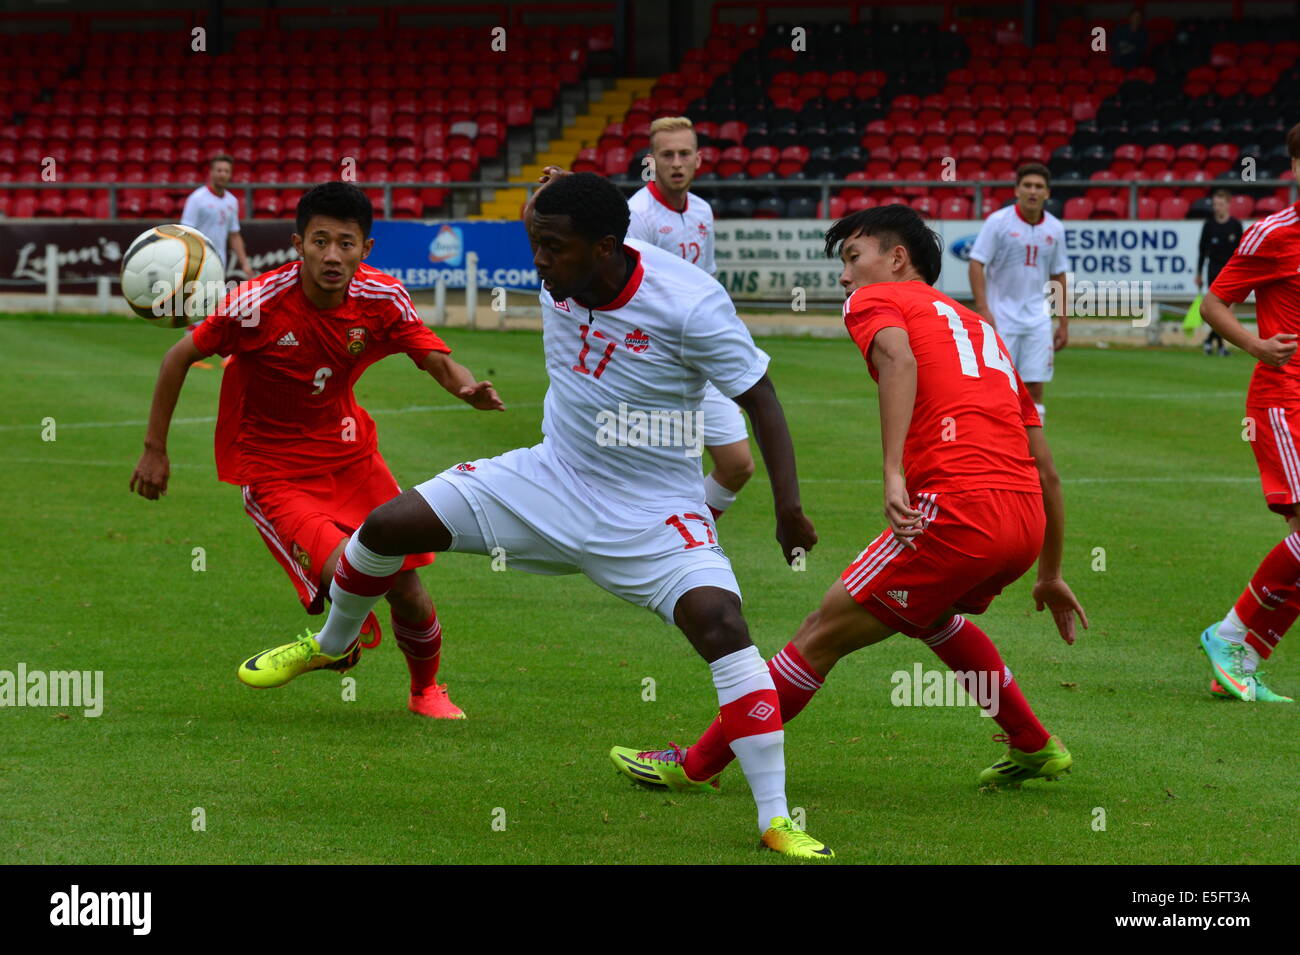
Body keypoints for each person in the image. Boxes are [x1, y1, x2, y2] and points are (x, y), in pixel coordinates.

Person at [233, 171, 833, 858]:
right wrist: (548, 199)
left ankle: (775, 818)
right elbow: (550, 225)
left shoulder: (691, 305)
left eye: (552, 247)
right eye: (534, 242)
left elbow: (760, 396)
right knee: (385, 528)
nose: (538, 262)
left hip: (653, 508)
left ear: (607, 247)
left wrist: (787, 506)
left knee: (723, 626)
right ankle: (334, 643)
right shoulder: (566, 265)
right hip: (547, 478)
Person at [612, 204, 1088, 797]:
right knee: (932, 613)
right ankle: (1032, 741)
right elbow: (1046, 467)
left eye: (852, 257)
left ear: (896, 258)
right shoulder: (979, 328)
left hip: (959, 514)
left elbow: (897, 359)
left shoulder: (874, 299)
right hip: (1023, 521)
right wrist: (1050, 572)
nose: (844, 275)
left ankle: (694, 765)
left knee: (820, 632)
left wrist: (892, 475)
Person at [130, 182, 503, 718]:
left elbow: (437, 360)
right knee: (349, 575)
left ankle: (426, 691)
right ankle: (341, 639)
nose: (333, 255)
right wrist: (154, 450)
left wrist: (467, 388)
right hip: (274, 471)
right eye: (321, 241)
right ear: (298, 243)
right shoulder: (255, 304)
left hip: (353, 459)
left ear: (365, 249)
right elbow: (176, 358)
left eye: (346, 243)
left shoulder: (382, 298)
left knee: (408, 588)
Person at [1197, 123, 1300, 703]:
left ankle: (1238, 660)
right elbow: (1214, 302)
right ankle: (1229, 635)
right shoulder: (1273, 234)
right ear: (1293, 168)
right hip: (1285, 399)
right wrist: (1256, 345)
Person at [625, 116, 754, 521]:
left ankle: (690, 533)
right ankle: (674, 546)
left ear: (699, 159)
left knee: (738, 465)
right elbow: (633, 295)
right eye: (667, 155)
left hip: (701, 354)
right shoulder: (637, 215)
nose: (676, 163)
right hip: (656, 362)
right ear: (652, 162)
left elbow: (708, 280)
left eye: (684, 154)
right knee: (668, 476)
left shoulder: (701, 211)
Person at [968, 162, 1068, 423]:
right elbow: (977, 263)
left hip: (1038, 319)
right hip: (1002, 318)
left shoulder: (1055, 228)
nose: (1033, 191)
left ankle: (1030, 454)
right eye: (1027, 186)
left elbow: (1058, 273)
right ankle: (994, 446)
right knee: (998, 384)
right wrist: (982, 308)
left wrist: (1063, 322)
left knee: (1035, 387)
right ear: (1017, 190)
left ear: (1047, 193)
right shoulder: (998, 222)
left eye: (1039, 187)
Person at [181, 154, 254, 279]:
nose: (222, 174)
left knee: (217, 298)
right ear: (211, 172)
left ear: (230, 175)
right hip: (197, 264)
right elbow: (185, 232)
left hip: (219, 264)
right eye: (219, 170)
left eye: (226, 171)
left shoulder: (232, 201)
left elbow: (234, 235)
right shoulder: (197, 199)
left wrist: (245, 264)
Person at [1196, 188, 1244, 357]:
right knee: (1218, 310)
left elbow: (1241, 251)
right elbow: (1202, 251)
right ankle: (1221, 346)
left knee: (1228, 313)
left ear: (1228, 205)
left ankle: (1210, 340)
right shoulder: (1209, 226)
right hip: (1214, 271)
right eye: (1215, 204)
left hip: (1232, 272)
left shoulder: (1235, 225)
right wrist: (1198, 273)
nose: (1217, 207)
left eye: (1220, 204)